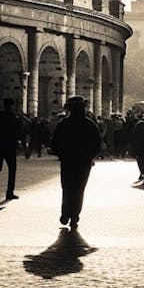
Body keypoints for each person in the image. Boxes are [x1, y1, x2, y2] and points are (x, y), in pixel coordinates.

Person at [49, 95, 101, 229]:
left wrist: (61, 154)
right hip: (83, 163)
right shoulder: (90, 124)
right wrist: (89, 157)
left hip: (68, 161)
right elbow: (97, 145)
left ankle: (65, 213)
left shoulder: (63, 124)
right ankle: (74, 216)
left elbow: (54, 143)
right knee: (79, 189)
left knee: (67, 187)